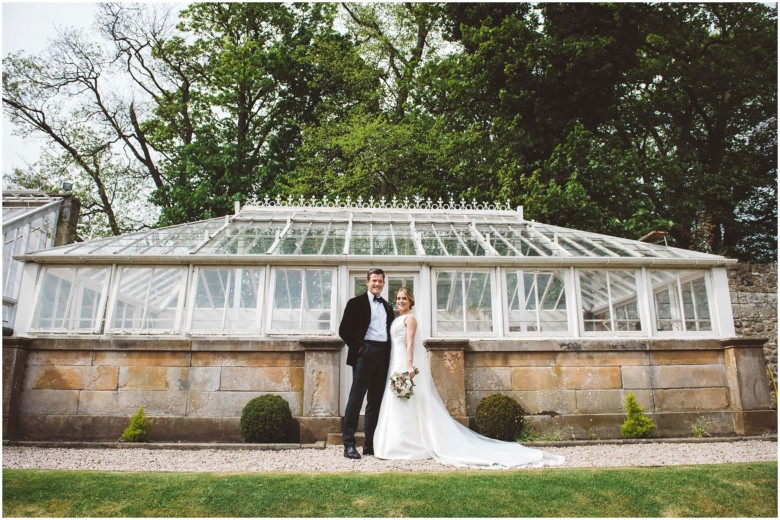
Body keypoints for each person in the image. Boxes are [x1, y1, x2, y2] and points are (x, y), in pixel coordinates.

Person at [373, 288, 565, 468]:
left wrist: (409, 366)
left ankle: (411, 444)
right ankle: (398, 442)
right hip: (394, 362)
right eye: (398, 299)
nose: (400, 301)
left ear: (410, 301)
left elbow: (410, 343)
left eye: (404, 299)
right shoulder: (397, 319)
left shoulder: (411, 319)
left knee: (410, 400)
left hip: (404, 363)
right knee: (399, 401)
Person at [338, 268, 394, 459]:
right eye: (374, 281)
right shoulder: (355, 303)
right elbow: (344, 330)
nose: (377, 284)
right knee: (356, 399)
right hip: (364, 352)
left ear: (383, 284)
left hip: (383, 355)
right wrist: (360, 349)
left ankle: (369, 445)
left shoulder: (387, 307)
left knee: (375, 402)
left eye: (380, 281)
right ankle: (349, 445)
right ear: (367, 282)